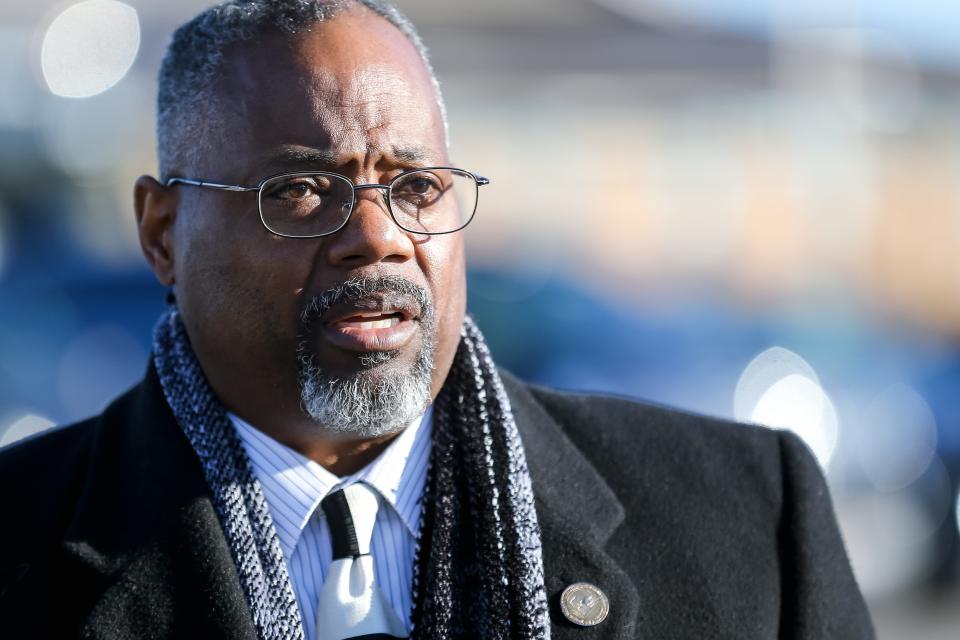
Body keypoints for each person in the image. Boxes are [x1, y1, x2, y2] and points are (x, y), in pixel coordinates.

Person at [0, 1, 874, 638]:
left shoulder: (748, 516)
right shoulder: (21, 541)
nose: (378, 236)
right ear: (162, 232)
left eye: (416, 187)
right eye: (302, 190)